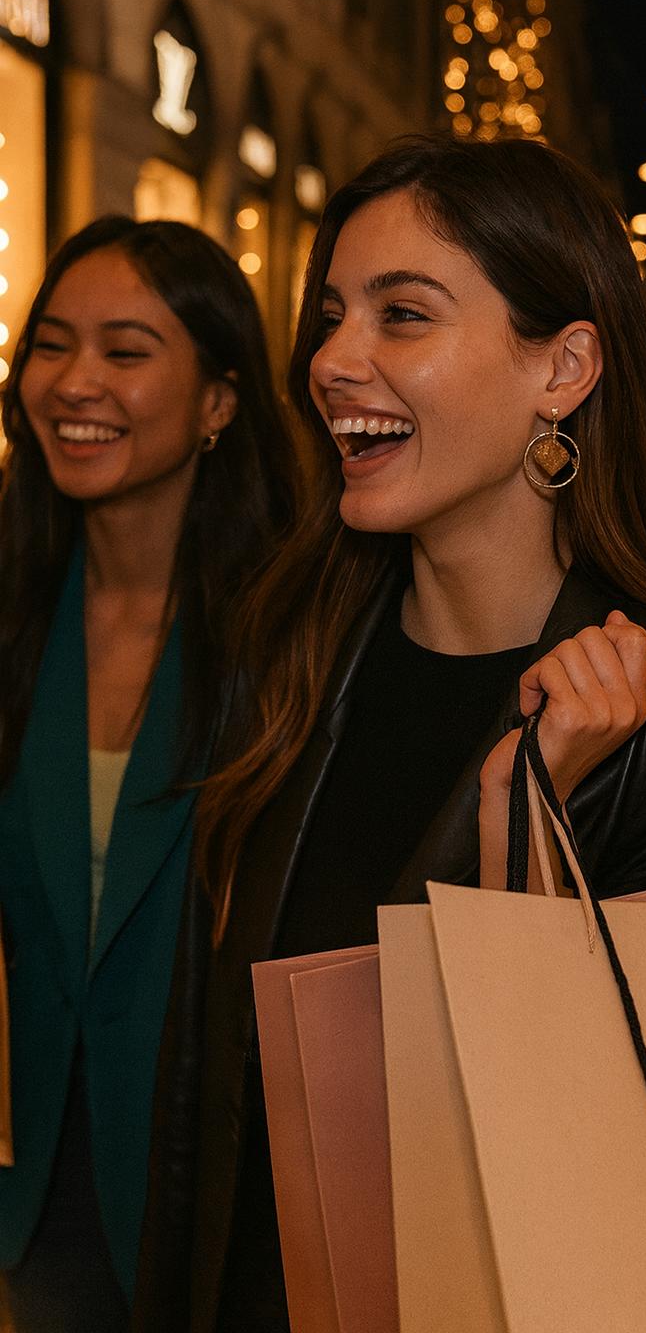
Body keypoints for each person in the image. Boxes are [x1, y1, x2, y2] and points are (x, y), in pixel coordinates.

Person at [133, 134, 646, 1333]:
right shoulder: (290, 648)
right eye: (332, 314)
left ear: (564, 368)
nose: (333, 361)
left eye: (403, 316)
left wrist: (512, 819)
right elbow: (214, 1081)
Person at [0, 217, 296, 1333]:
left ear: (220, 401)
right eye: (53, 345)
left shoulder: (292, 630)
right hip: (37, 1171)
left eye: (126, 352)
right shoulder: (17, 600)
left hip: (222, 1178)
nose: (76, 384)